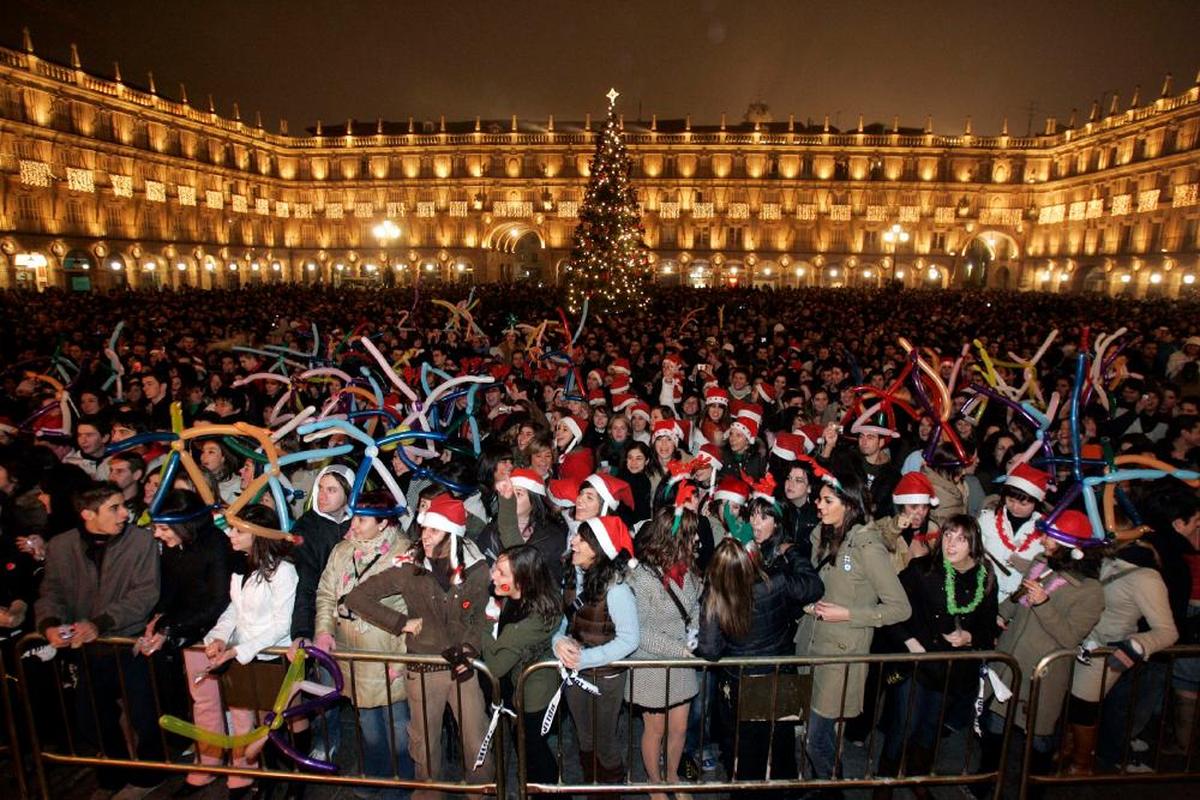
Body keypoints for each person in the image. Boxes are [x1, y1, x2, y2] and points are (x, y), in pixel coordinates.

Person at [344, 493, 494, 799]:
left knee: (476, 740)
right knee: (423, 745)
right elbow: (357, 598)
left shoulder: (477, 569)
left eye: (433, 531)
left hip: (463, 668)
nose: (424, 536)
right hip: (423, 668)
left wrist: (470, 648)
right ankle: (428, 795)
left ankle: (481, 793)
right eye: (424, 529)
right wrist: (401, 623)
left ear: (451, 534)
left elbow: (482, 619)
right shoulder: (409, 567)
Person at [35, 480, 164, 796]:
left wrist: (100, 623)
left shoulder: (140, 543)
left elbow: (145, 594)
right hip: (86, 649)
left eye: (123, 506)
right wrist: (50, 625)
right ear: (87, 514)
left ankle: (152, 775)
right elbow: (51, 592)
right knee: (92, 717)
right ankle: (114, 772)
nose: (124, 515)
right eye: (114, 508)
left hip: (129, 643)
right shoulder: (61, 546)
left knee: (145, 715)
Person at [974, 512, 1104, 798]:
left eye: (1050, 537)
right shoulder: (1040, 564)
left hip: (1042, 676)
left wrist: (1044, 604)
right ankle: (984, 783)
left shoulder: (1091, 591)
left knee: (1039, 741)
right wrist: (1000, 614)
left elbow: (1071, 637)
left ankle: (1033, 790)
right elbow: (1019, 597)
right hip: (1009, 662)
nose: (1042, 540)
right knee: (994, 727)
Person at [799, 470, 911, 782]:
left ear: (848, 504)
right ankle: (817, 784)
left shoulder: (866, 546)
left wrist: (847, 614)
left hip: (842, 655)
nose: (818, 505)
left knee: (816, 738)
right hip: (813, 644)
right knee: (813, 730)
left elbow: (899, 608)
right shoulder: (827, 535)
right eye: (819, 499)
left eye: (827, 500)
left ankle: (832, 789)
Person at [877, 515, 998, 788]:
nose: (951, 544)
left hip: (952, 671)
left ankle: (917, 778)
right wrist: (910, 643)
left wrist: (969, 636)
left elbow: (988, 626)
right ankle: (883, 783)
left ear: (974, 544)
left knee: (931, 729)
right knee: (903, 725)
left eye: (961, 538)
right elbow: (889, 609)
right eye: (947, 535)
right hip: (917, 665)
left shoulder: (985, 576)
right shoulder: (922, 570)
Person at [696, 535, 822, 798]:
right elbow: (814, 586)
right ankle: (783, 792)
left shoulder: (714, 598)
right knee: (781, 743)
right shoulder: (774, 582)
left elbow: (710, 651)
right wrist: (793, 554)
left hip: (743, 680)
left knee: (744, 749)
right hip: (781, 673)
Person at [313, 491, 414, 797]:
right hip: (352, 654)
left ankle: (404, 783)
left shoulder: (404, 554)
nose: (353, 525)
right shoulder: (342, 551)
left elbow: (415, 608)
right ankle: (376, 775)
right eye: (354, 518)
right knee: (368, 723)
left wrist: (404, 653)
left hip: (390, 653)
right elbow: (326, 594)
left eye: (361, 519)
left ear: (383, 524)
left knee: (398, 726)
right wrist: (324, 631)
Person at [139, 489, 232, 795]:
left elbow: (219, 599)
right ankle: (208, 760)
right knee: (203, 702)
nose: (157, 534)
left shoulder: (216, 544)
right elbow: (170, 590)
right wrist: (158, 618)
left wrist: (172, 627)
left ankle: (235, 763)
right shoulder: (174, 548)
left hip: (215, 632)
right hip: (185, 630)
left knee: (229, 704)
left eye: (163, 528)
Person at [203, 504, 298, 799]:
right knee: (257, 722)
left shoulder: (283, 571)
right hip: (247, 657)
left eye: (237, 530)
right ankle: (266, 778)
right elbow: (235, 609)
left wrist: (238, 650)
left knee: (281, 722)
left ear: (258, 535)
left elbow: (282, 623)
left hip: (273, 658)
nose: (230, 534)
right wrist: (219, 636)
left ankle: (297, 780)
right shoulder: (242, 566)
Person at [552, 515, 640, 786]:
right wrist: (557, 641)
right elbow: (562, 622)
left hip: (605, 678)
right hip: (576, 676)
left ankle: (608, 790)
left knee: (604, 741)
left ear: (599, 548)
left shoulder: (617, 589)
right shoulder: (573, 576)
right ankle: (592, 786)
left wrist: (583, 658)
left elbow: (629, 640)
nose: (573, 541)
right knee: (584, 737)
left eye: (582, 539)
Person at [627, 507, 703, 800]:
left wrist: (694, 635)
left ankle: (673, 777)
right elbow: (639, 631)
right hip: (652, 662)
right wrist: (679, 649)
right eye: (691, 532)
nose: (697, 538)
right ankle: (654, 783)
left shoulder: (688, 568)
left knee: (680, 728)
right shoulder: (641, 576)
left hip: (682, 660)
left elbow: (694, 606)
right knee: (655, 729)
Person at [481, 544, 561, 784]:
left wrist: (486, 625)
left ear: (522, 582)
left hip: (534, 695)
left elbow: (495, 667)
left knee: (533, 751)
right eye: (496, 568)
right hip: (520, 687)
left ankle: (548, 792)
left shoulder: (529, 622)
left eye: (502, 574)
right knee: (525, 746)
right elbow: (514, 539)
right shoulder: (524, 588)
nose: (494, 575)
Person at [289, 464, 355, 653]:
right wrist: (303, 632)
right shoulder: (306, 528)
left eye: (331, 490)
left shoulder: (363, 522)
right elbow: (305, 583)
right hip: (325, 625)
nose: (322, 495)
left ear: (348, 492)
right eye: (320, 488)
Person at [977, 463, 1051, 602]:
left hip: (1020, 601)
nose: (1015, 507)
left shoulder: (1046, 532)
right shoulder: (987, 519)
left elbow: (1047, 570)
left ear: (1036, 502)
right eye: (1010, 500)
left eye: (1023, 504)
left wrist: (1026, 567)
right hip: (985, 594)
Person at [877, 472, 941, 573]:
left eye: (925, 507)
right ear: (901, 507)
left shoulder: (932, 529)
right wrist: (895, 527)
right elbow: (882, 541)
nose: (920, 513)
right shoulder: (885, 525)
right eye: (913, 507)